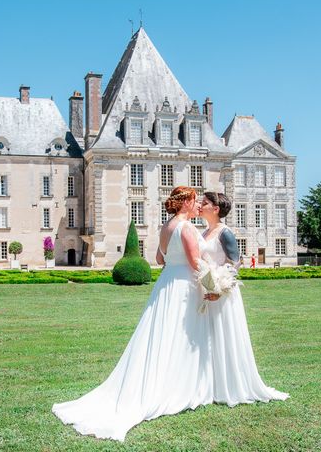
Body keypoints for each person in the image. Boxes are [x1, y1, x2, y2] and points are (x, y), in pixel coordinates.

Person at [52, 186, 216, 441]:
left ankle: (171, 382)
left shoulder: (166, 227)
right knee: (183, 336)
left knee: (162, 337)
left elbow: (160, 260)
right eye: (195, 201)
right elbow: (196, 262)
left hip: (165, 284)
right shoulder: (186, 228)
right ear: (185, 202)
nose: (198, 206)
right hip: (184, 285)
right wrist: (212, 283)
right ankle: (180, 387)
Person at [198, 191, 289, 406]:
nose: (201, 205)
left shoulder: (225, 232)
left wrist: (221, 286)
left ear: (216, 209)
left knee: (224, 335)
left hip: (222, 292)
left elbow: (235, 263)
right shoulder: (204, 232)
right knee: (209, 338)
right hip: (208, 288)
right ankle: (210, 384)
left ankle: (230, 385)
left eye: (205, 203)